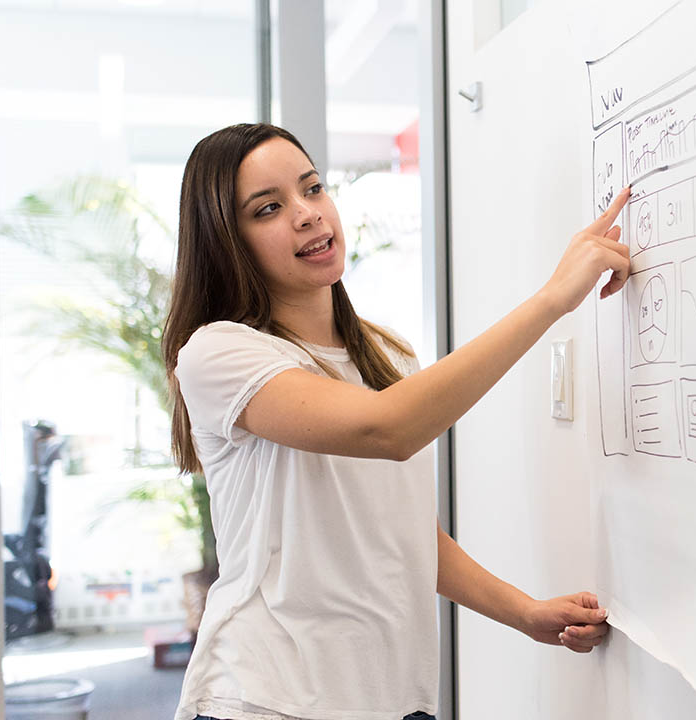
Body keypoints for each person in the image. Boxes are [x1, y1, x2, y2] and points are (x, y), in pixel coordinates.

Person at [162, 122, 632, 720]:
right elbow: (387, 430)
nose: (307, 214)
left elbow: (404, 534)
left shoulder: (387, 356)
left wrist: (523, 611)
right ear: (227, 241)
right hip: (268, 697)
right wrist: (551, 299)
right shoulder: (219, 353)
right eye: (269, 208)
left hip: (393, 697)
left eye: (312, 188)